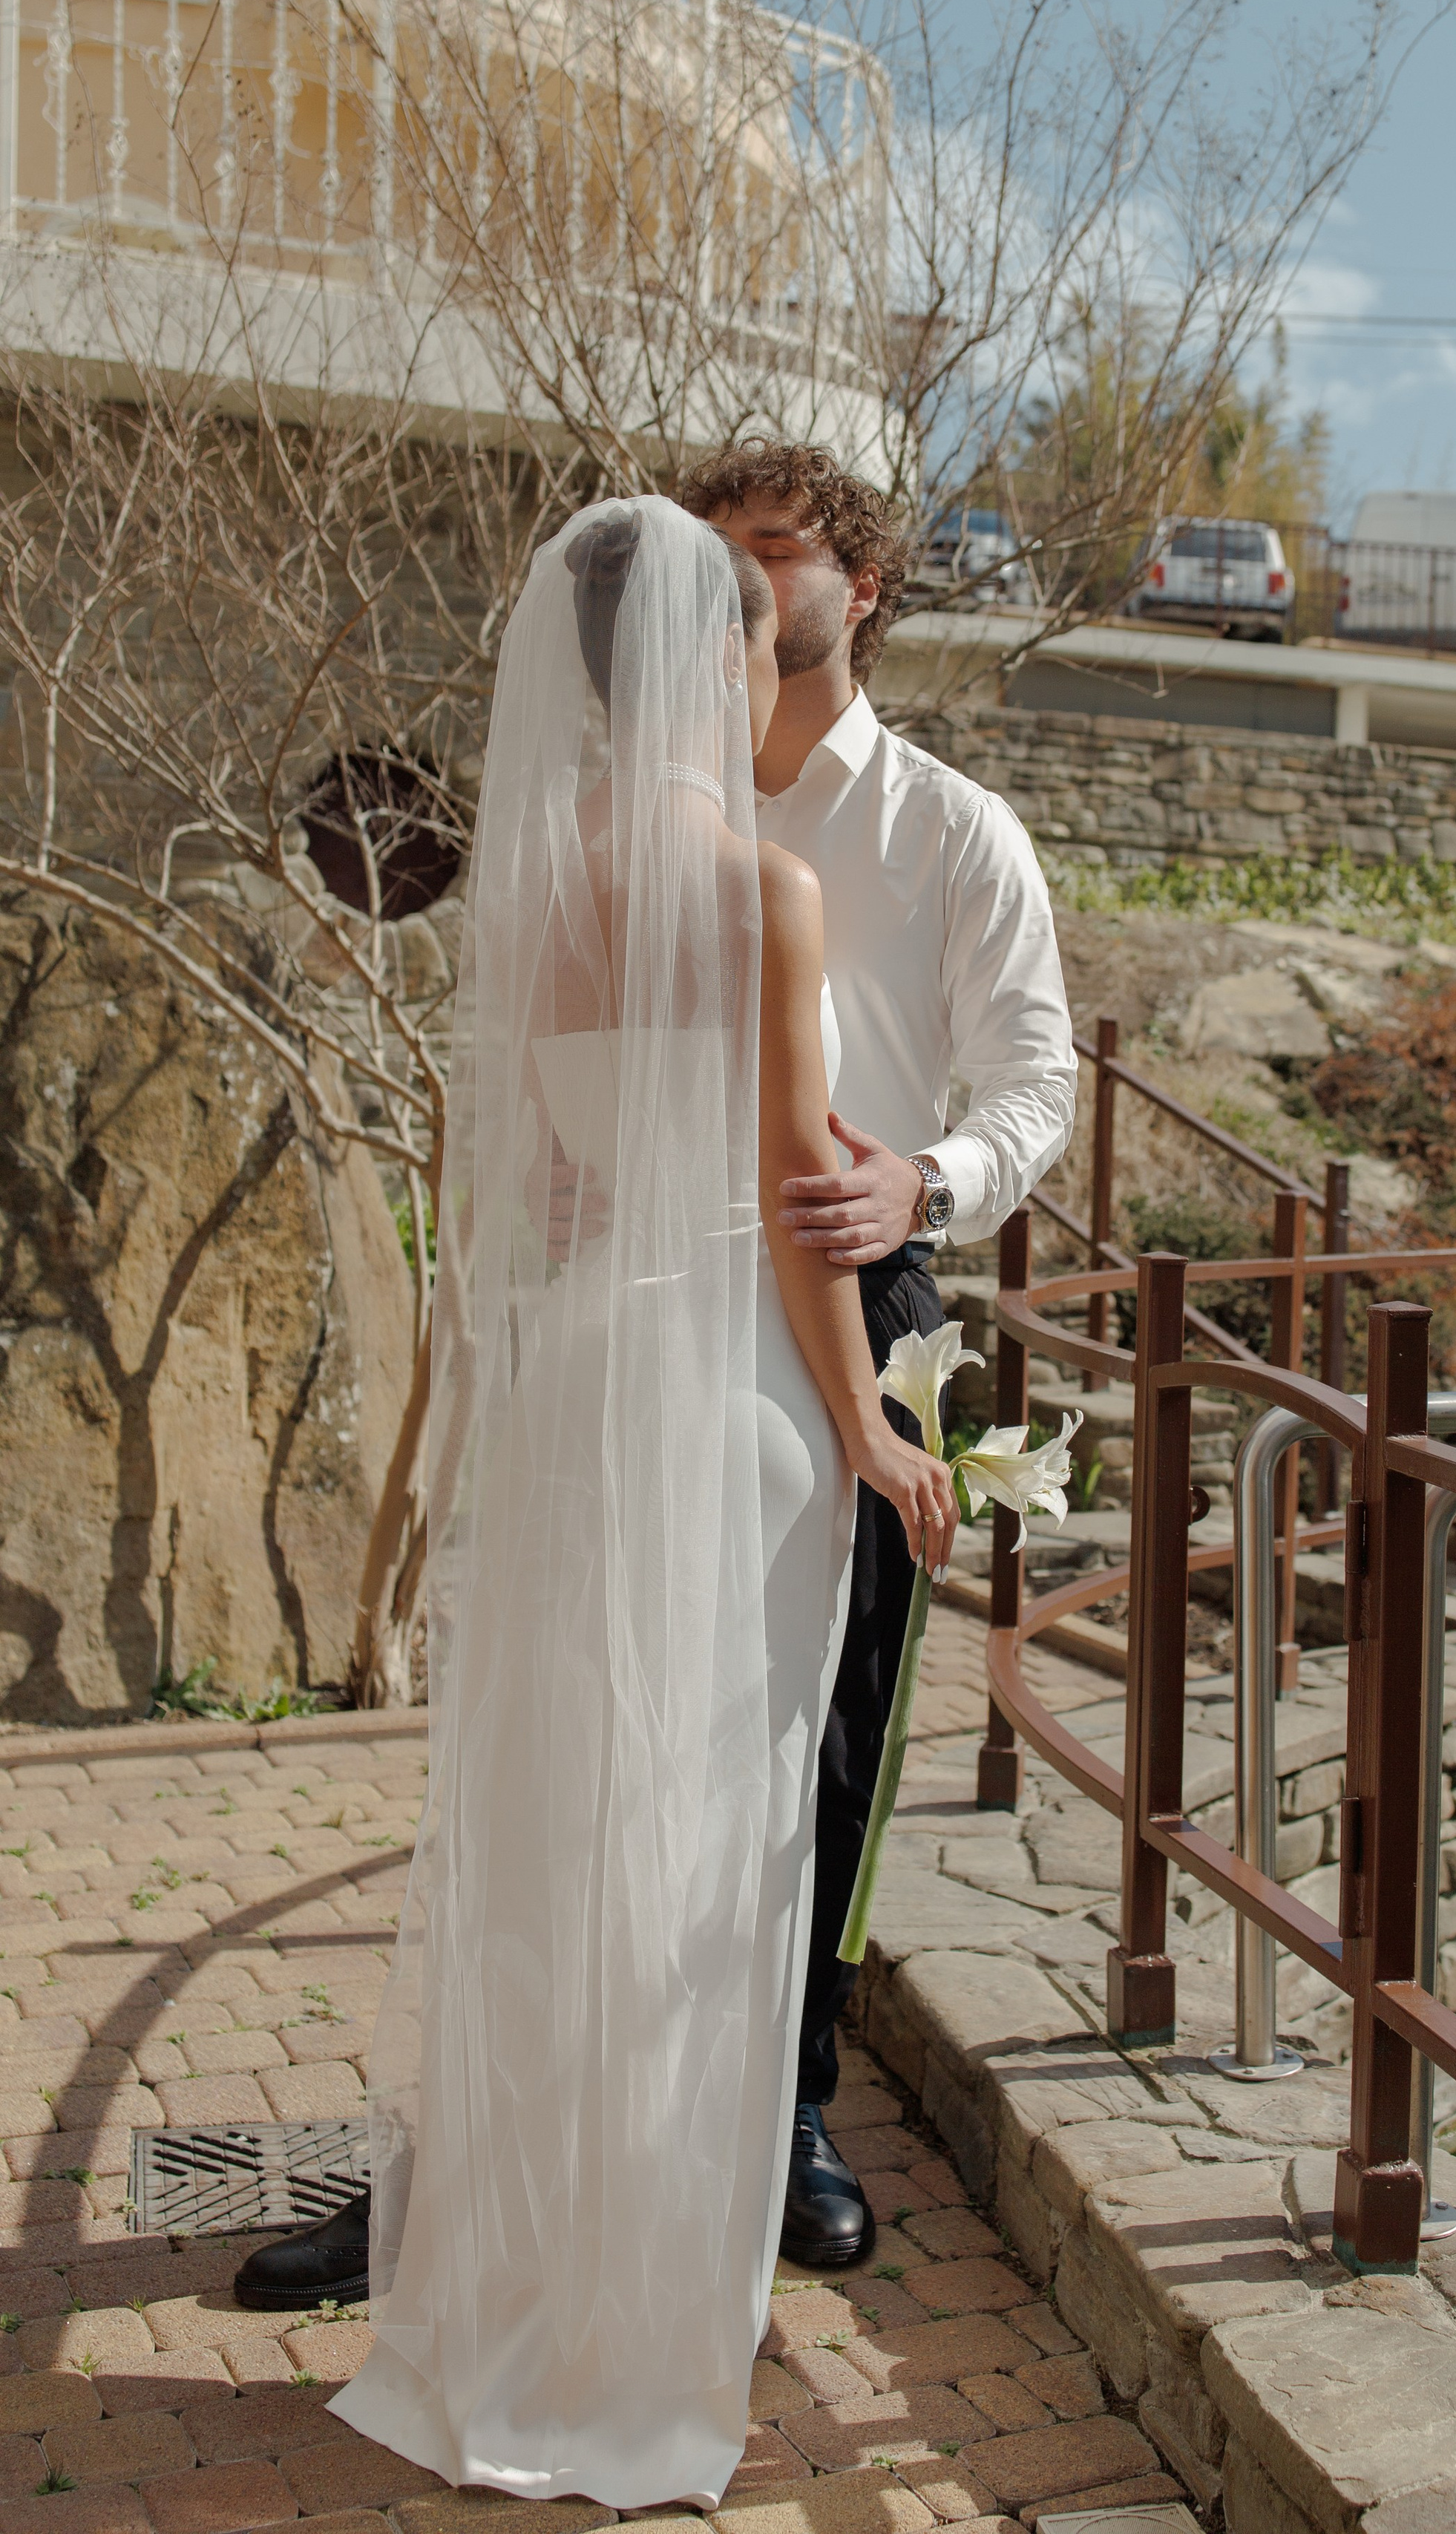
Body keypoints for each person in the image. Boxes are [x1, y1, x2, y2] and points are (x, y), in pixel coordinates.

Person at [235, 499, 958, 2514]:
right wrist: (878, 1431)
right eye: (748, 655)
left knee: (557, 1844)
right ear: (707, 665)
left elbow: (550, 1190)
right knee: (710, 1867)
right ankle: (643, 2328)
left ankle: (515, 2286)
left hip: (575, 1391)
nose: (761, 684)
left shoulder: (535, 894)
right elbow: (807, 1229)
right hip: (730, 1398)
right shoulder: (762, 888)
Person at [677, 439, 1077, 2272]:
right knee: (641, 1713)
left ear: (866, 585)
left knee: (833, 1736)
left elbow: (1036, 1086)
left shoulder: (946, 830)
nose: (750, 585)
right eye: (720, 558)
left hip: (869, 1302)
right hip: (659, 1316)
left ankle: (789, 2109)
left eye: (779, 551)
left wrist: (926, 1181)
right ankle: (586, 2085)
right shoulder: (646, 810)